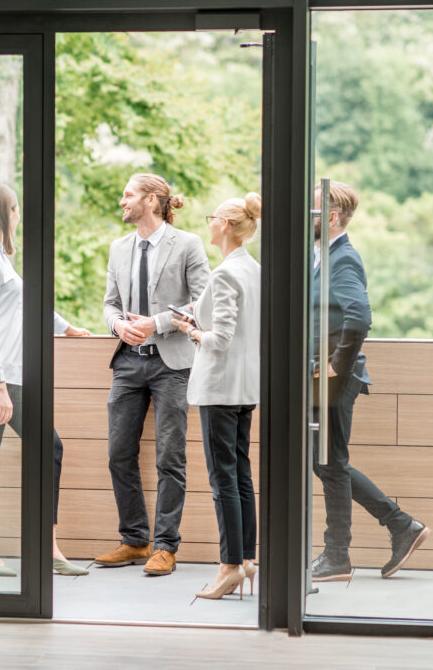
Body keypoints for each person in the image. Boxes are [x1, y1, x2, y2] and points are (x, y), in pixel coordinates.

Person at [0, 183, 90, 577]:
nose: (19, 216)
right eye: (16, 209)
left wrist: (65, 328)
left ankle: (47, 546)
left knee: (50, 446)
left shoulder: (0, 259)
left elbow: (24, 304)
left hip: (9, 371)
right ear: (5, 212)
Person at [311, 181, 430, 582]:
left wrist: (335, 366)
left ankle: (338, 555)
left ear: (330, 217)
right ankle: (400, 526)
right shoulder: (321, 256)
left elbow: (359, 316)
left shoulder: (343, 258)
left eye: (309, 211)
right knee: (327, 463)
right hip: (322, 377)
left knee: (329, 463)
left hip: (335, 378)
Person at [95, 173, 211, 576]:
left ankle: (165, 546)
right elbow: (110, 304)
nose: (122, 201)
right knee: (118, 454)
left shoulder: (188, 245)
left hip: (172, 365)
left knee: (170, 457)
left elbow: (202, 303)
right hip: (128, 362)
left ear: (151, 201)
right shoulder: (118, 248)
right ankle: (134, 540)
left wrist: (156, 323)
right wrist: (117, 327)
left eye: (128, 195)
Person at [172, 193, 261, 599]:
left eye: (211, 218)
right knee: (240, 475)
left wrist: (190, 331)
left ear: (225, 225)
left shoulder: (224, 273)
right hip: (245, 387)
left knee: (222, 479)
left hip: (220, 387)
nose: (207, 224)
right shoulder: (253, 270)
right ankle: (246, 560)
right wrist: (198, 316)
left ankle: (228, 567)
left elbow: (220, 338)